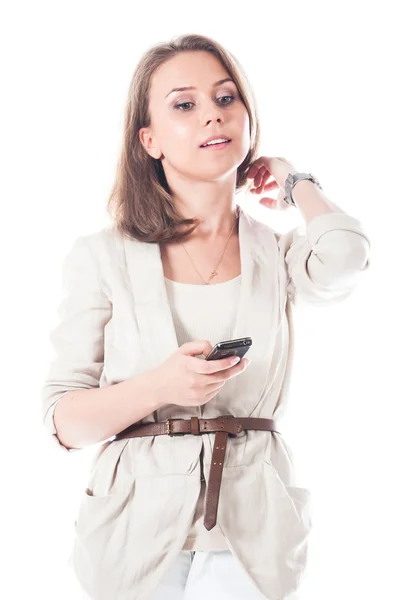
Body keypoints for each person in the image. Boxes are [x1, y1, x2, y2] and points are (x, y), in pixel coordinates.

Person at [41, 33, 371, 600]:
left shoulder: (278, 252)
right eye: (184, 105)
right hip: (132, 534)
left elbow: (346, 254)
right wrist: (160, 386)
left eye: (226, 98)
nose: (213, 118)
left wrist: (296, 182)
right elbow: (65, 421)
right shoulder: (103, 255)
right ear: (149, 140)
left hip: (253, 533)